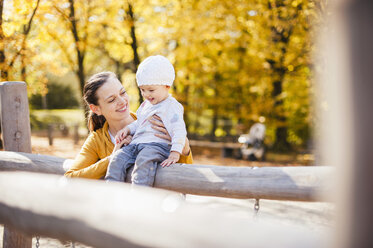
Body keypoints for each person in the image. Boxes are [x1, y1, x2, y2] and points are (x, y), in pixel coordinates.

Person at [64, 71, 192, 179]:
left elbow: (188, 172)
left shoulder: (156, 123)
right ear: (96, 109)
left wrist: (183, 144)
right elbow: (69, 178)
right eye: (112, 100)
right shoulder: (97, 140)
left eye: (123, 92)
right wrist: (112, 158)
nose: (122, 101)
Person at [105, 55, 186, 186]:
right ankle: (112, 190)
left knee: (143, 161)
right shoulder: (145, 105)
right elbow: (139, 122)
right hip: (136, 144)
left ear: (167, 86)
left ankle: (140, 195)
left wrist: (175, 152)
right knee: (117, 158)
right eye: (142, 90)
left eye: (151, 90)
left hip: (157, 145)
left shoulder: (171, 106)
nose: (146, 94)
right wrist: (127, 129)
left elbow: (179, 130)